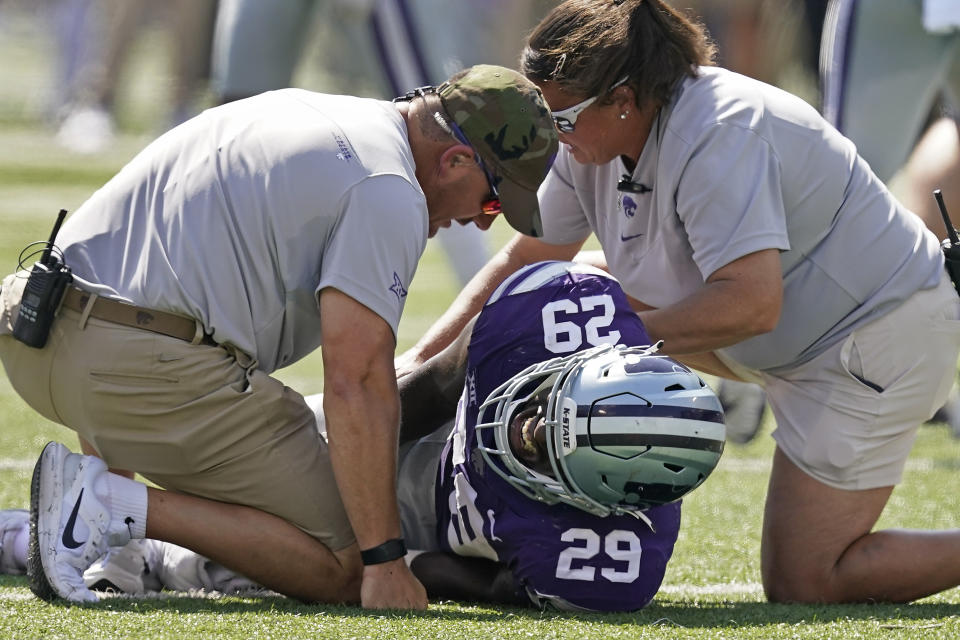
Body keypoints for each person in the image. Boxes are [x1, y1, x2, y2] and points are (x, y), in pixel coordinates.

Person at [398, 0, 960, 604]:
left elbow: (750, 304)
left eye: (560, 119)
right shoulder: (593, 131)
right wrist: (417, 368)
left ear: (624, 99)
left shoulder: (721, 129)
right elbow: (525, 260)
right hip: (787, 335)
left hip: (870, 340)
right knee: (564, 285)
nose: (548, 135)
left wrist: (583, 349)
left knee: (806, 582)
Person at [0, 64, 558, 609]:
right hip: (124, 366)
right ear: (457, 159)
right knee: (345, 560)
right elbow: (356, 381)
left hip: (33, 331)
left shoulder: (306, 105)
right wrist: (385, 561)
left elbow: (142, 259)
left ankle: (112, 554)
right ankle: (101, 502)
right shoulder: (389, 187)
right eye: (492, 201)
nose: (485, 222)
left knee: (162, 303)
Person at [1, 261, 725, 610]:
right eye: (546, 406)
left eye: (546, 446)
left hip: (427, 530)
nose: (525, 427)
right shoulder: (553, 320)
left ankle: (80, 536)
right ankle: (103, 525)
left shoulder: (602, 561)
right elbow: (431, 386)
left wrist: (393, 560)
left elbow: (471, 581)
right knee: (263, 467)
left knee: (238, 569)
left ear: (600, 498)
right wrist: (335, 473)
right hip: (393, 438)